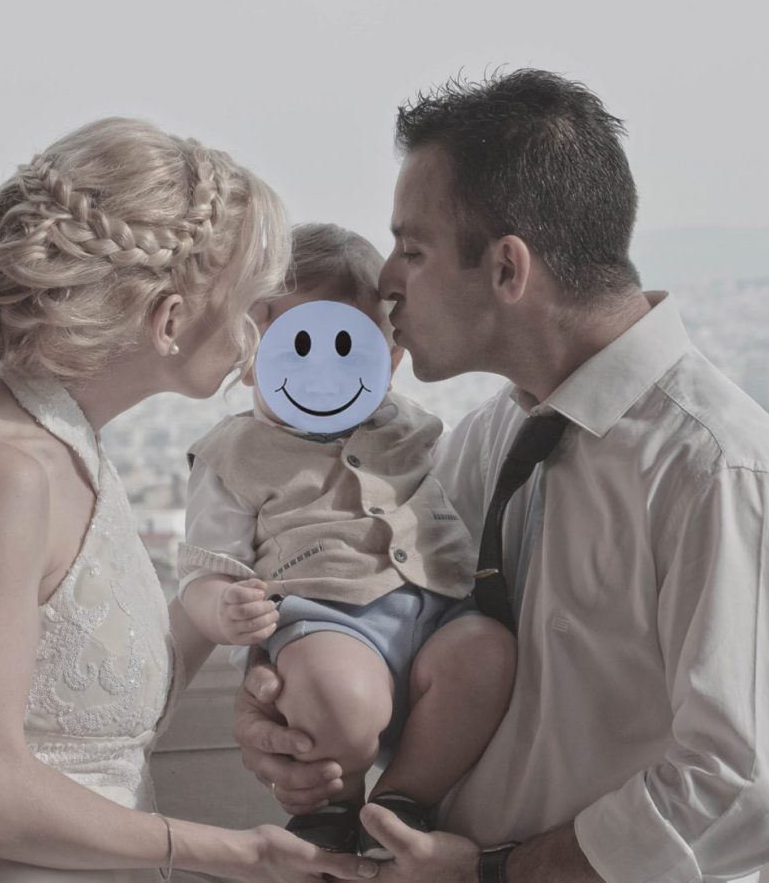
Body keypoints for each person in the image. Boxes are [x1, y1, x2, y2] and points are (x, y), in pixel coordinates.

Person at [233, 70, 769, 882]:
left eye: (413, 250)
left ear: (508, 269)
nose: (387, 283)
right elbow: (390, 625)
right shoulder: (486, 443)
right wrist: (281, 704)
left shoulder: (720, 473)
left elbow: (746, 790)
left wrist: (497, 872)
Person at [0, 117, 378, 883]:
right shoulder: (2, 473)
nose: (255, 340)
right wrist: (243, 853)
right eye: (248, 305)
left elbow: (85, 715)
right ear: (169, 320)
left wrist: (219, 608)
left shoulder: (60, 446)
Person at [177, 224, 517, 858]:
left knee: (488, 654)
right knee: (339, 697)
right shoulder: (234, 453)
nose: (322, 374)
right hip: (327, 621)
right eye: (296, 348)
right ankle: (336, 803)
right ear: (251, 357)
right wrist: (222, 609)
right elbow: (205, 566)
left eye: (348, 349)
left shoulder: (415, 428)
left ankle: (402, 801)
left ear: (389, 360)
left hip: (441, 616)